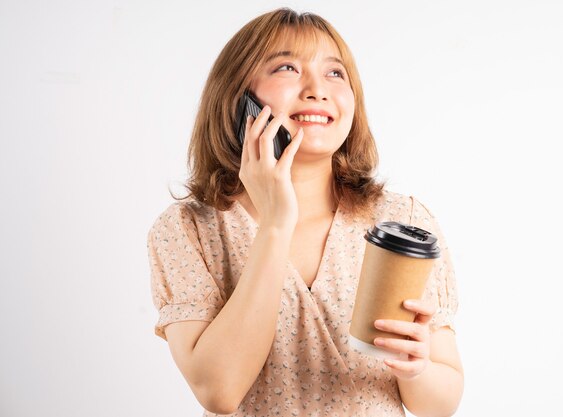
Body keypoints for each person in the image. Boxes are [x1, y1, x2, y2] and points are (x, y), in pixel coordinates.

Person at [147, 7, 463, 417]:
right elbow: (219, 390)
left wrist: (418, 370)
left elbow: (442, 403)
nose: (317, 89)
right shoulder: (189, 230)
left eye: (335, 73)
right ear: (239, 97)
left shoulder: (404, 222)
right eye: (287, 68)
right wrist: (277, 223)